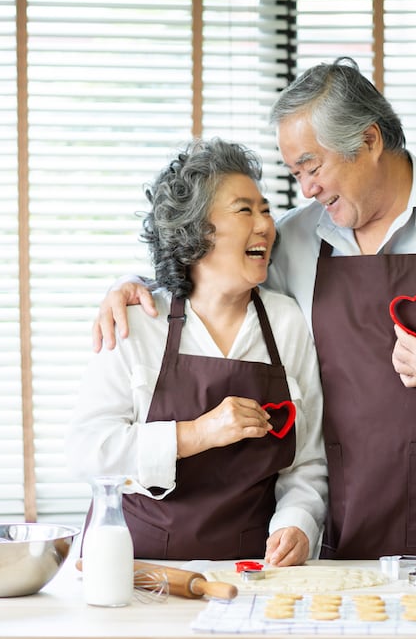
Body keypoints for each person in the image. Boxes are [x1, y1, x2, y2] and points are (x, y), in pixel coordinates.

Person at [94, 58, 416, 560]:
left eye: (313, 166)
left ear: (369, 141)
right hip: (350, 518)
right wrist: (131, 283)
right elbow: (210, 270)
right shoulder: (295, 237)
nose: (306, 187)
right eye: (295, 172)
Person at [67, 138, 327, 567]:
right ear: (196, 230)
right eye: (245, 210)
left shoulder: (286, 322)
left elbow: (307, 459)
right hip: (137, 570)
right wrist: (198, 434)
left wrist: (298, 521)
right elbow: (87, 452)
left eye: (265, 210)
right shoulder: (137, 319)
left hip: (251, 575)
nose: (265, 224)